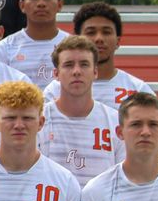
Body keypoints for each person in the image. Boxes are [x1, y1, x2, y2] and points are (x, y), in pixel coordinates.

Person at [39, 36, 124, 186]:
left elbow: (124, 177)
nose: (77, 71)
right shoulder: (38, 120)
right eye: (69, 65)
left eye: (84, 65)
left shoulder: (115, 121)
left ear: (95, 72)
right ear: (56, 74)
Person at [43, 2, 154, 106]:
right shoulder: (54, 92)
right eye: (91, 32)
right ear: (77, 39)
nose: (99, 38)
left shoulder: (138, 90)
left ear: (118, 41)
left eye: (106, 32)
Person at [0, 0, 69, 88]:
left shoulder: (74, 46)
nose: (41, 3)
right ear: (22, 6)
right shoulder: (5, 49)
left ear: (60, 4)